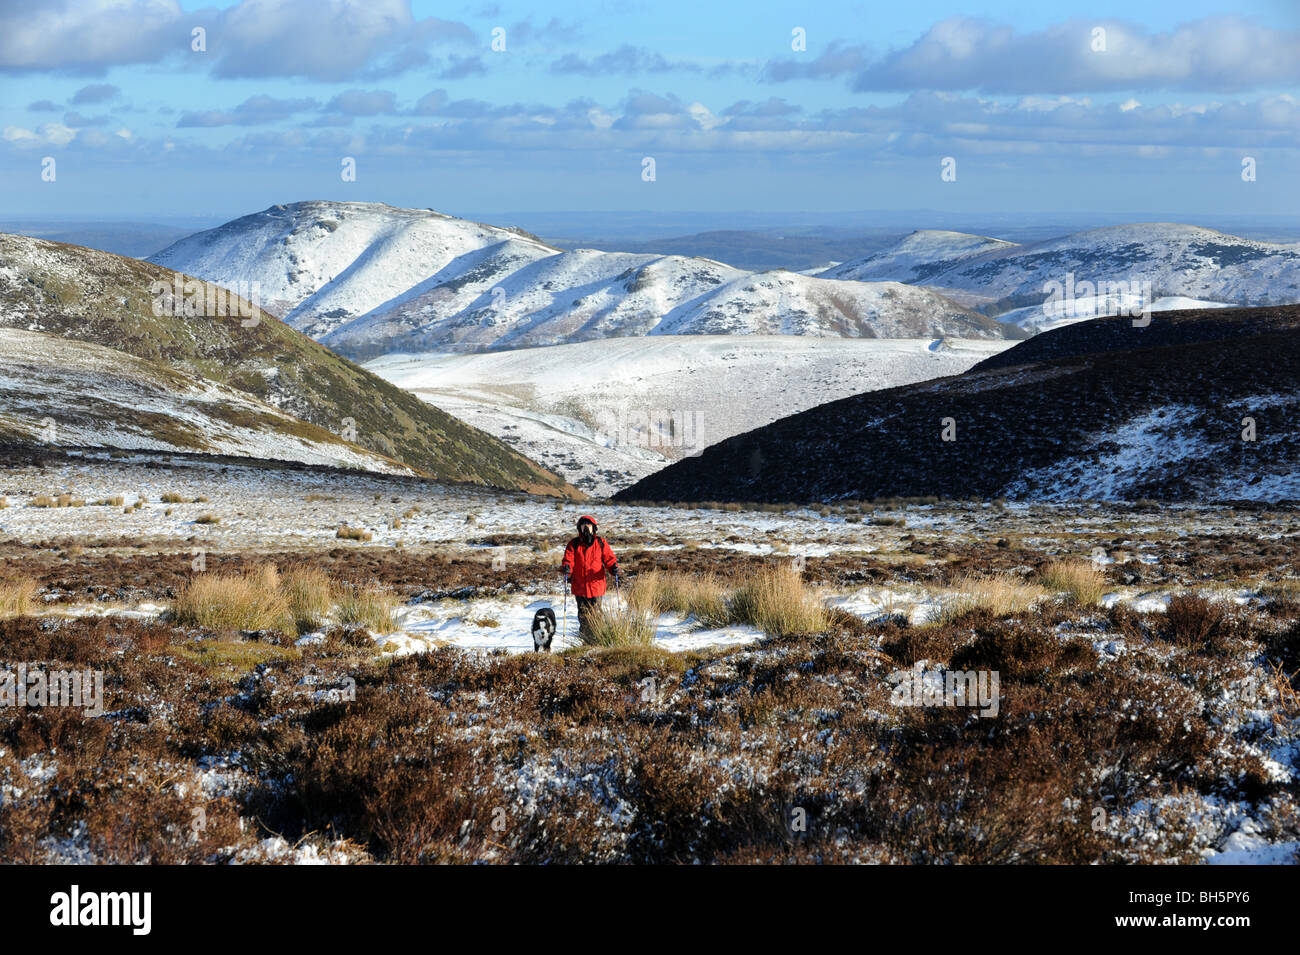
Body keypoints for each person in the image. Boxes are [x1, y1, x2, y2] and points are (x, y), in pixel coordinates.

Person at [561, 515, 620, 639]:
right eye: (583, 525)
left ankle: (598, 639)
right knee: (583, 616)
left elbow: (609, 559)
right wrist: (567, 567)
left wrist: (613, 568)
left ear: (593, 527)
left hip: (596, 587)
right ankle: (585, 640)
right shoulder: (574, 543)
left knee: (596, 614)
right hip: (580, 587)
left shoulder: (600, 542)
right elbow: (568, 559)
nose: (586, 527)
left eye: (588, 525)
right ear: (579, 528)